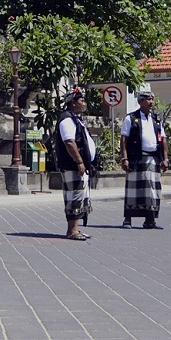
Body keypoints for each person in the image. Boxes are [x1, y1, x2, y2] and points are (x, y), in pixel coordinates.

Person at [120, 88, 168, 229]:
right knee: (133, 189)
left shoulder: (156, 119)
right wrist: (125, 159)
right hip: (136, 158)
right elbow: (124, 139)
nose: (151, 102)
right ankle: (127, 220)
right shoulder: (131, 118)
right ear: (140, 101)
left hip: (153, 158)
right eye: (147, 99)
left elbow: (163, 139)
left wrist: (165, 159)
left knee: (152, 190)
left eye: (152, 99)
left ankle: (150, 220)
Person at [55, 88, 97, 240]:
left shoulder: (76, 119)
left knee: (79, 197)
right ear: (72, 103)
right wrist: (79, 161)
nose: (84, 103)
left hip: (80, 166)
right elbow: (69, 142)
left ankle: (75, 229)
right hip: (72, 166)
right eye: (81, 100)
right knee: (74, 197)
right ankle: (72, 231)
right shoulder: (67, 119)